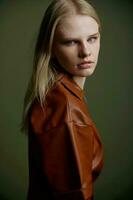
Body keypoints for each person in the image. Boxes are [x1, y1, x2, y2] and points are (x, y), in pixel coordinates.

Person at [22, 0, 104, 199]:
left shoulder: (56, 94)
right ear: (50, 47)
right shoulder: (66, 108)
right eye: (71, 42)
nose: (86, 52)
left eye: (92, 38)